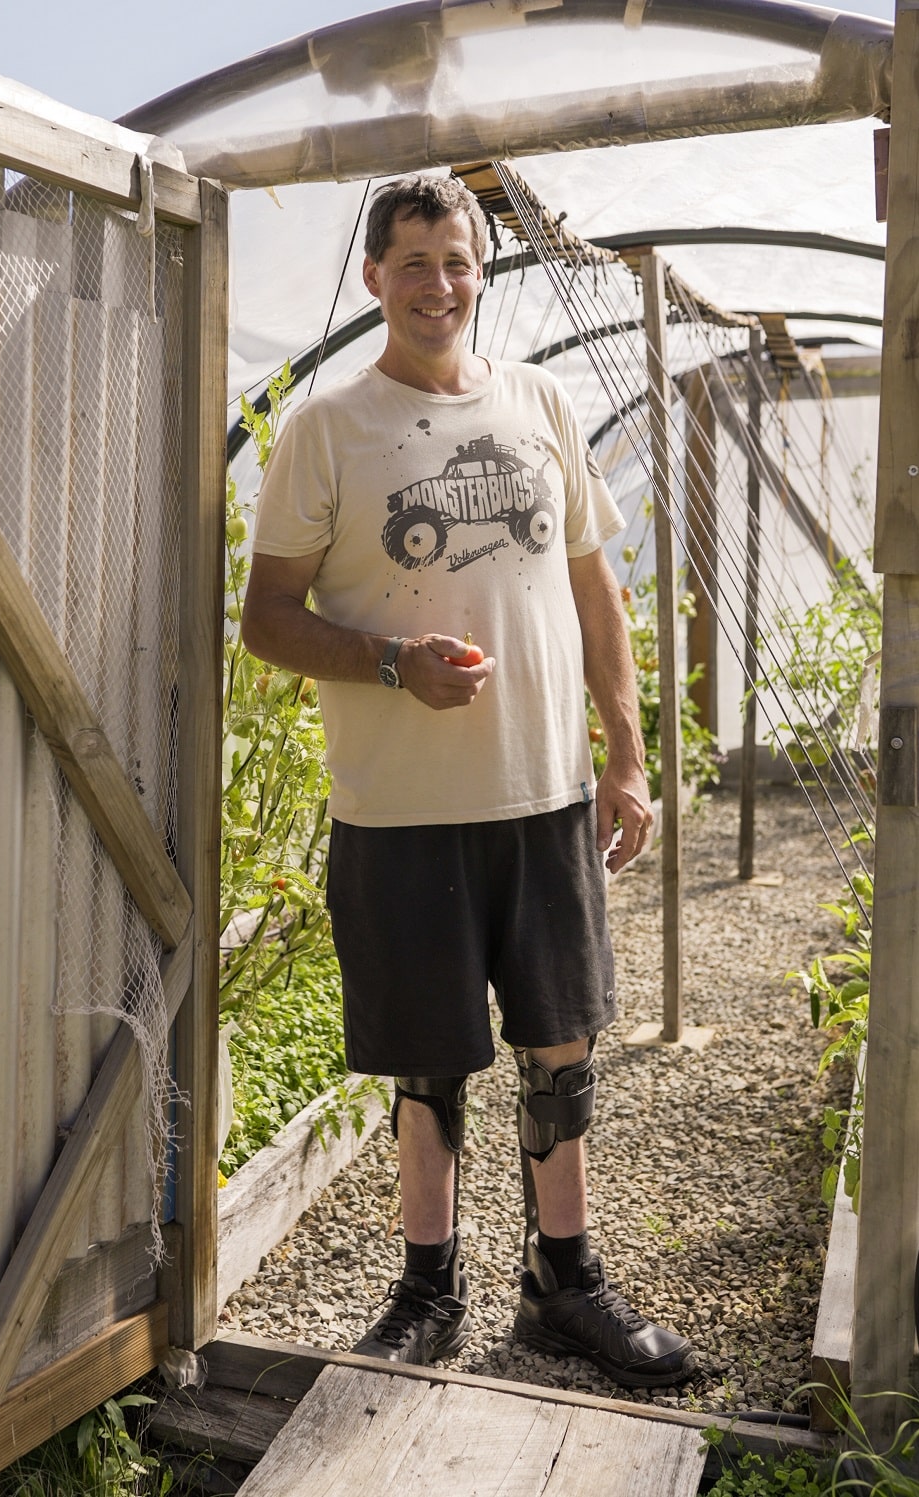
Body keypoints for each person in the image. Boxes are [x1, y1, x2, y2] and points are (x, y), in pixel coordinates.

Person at [242, 174, 696, 1389]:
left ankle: (564, 1285)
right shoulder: (325, 427)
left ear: (479, 272)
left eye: (457, 261)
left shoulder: (541, 400)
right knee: (427, 1059)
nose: (437, 285)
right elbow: (267, 621)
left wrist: (627, 754)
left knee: (561, 1046)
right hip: (399, 812)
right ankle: (425, 1291)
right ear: (372, 278)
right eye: (412, 262)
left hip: (543, 794)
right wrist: (392, 663)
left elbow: (598, 590)